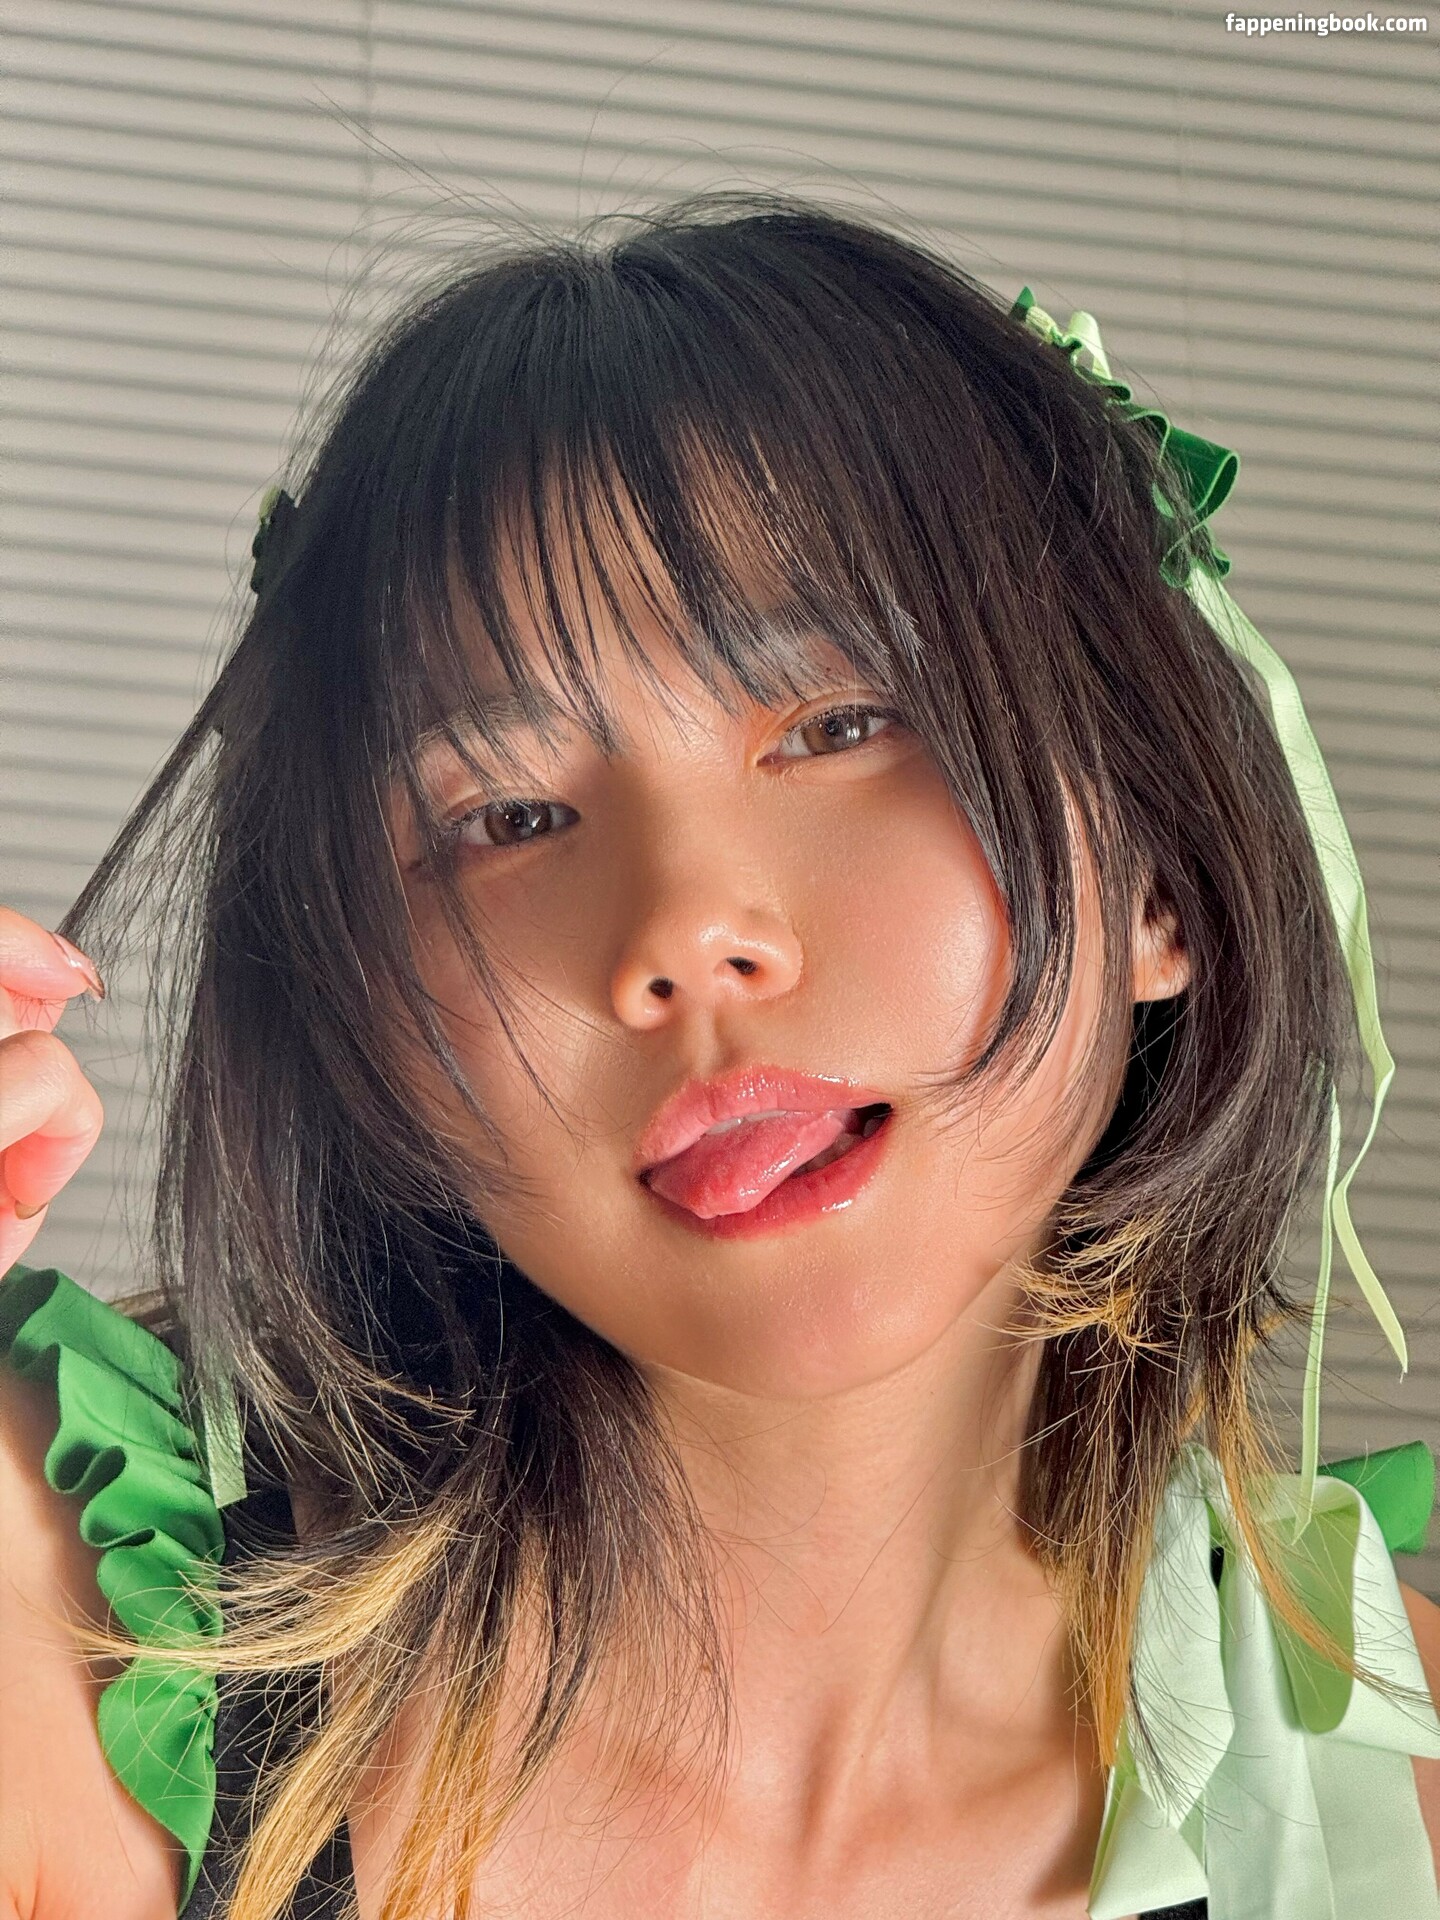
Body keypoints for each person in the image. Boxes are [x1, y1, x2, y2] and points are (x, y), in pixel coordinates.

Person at [1, 192, 1436, 1920]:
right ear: (366, 1024)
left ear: (1160, 875)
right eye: (505, 816)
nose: (684, 931)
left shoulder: (1403, 1777)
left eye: (841, 724)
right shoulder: (62, 1635)